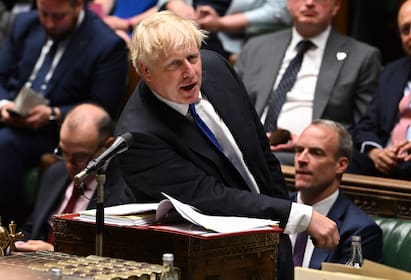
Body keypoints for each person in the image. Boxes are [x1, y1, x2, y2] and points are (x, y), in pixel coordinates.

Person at [115, 11, 339, 280]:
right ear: (145, 71)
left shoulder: (216, 68)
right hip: (211, 262)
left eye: (192, 57)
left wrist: (280, 232)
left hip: (271, 238)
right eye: (174, 65)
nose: (190, 72)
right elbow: (209, 197)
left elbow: (261, 153)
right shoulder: (139, 135)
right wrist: (296, 215)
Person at [0, 0, 128, 225]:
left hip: (57, 133)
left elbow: (103, 107)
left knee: (5, 144)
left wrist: (54, 113)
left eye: (58, 16)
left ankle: (8, 230)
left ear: (78, 5)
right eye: (44, 14)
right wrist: (3, 105)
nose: (49, 23)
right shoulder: (24, 24)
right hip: (10, 115)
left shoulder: (106, 44)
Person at [235, 0, 382, 165]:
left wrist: (310, 143)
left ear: (336, 7)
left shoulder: (362, 57)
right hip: (248, 150)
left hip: (308, 160)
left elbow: (365, 127)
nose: (310, 2)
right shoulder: (257, 47)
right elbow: (231, 106)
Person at [14, 103, 136, 252]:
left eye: (80, 157)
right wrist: (13, 246)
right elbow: (32, 228)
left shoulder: (127, 191)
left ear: (108, 146)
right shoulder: (53, 173)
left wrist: (56, 253)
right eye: (64, 152)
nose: (69, 165)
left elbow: (117, 252)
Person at [291, 119, 382, 269]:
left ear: (341, 165)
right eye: (299, 150)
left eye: (316, 152)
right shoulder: (276, 210)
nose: (301, 159)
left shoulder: (360, 232)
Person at [348, 0, 411, 181]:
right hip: (386, 162)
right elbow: (366, 125)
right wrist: (375, 151)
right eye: (405, 29)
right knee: (338, 158)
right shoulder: (392, 71)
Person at [158, 0, 291, 59]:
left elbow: (279, 11)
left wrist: (221, 23)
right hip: (179, 23)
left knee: (203, 61)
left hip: (227, 36)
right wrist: (176, 4)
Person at [90, 0, 158, 44]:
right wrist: (97, 21)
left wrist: (126, 24)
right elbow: (99, 7)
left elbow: (162, 8)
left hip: (141, 30)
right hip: (110, 25)